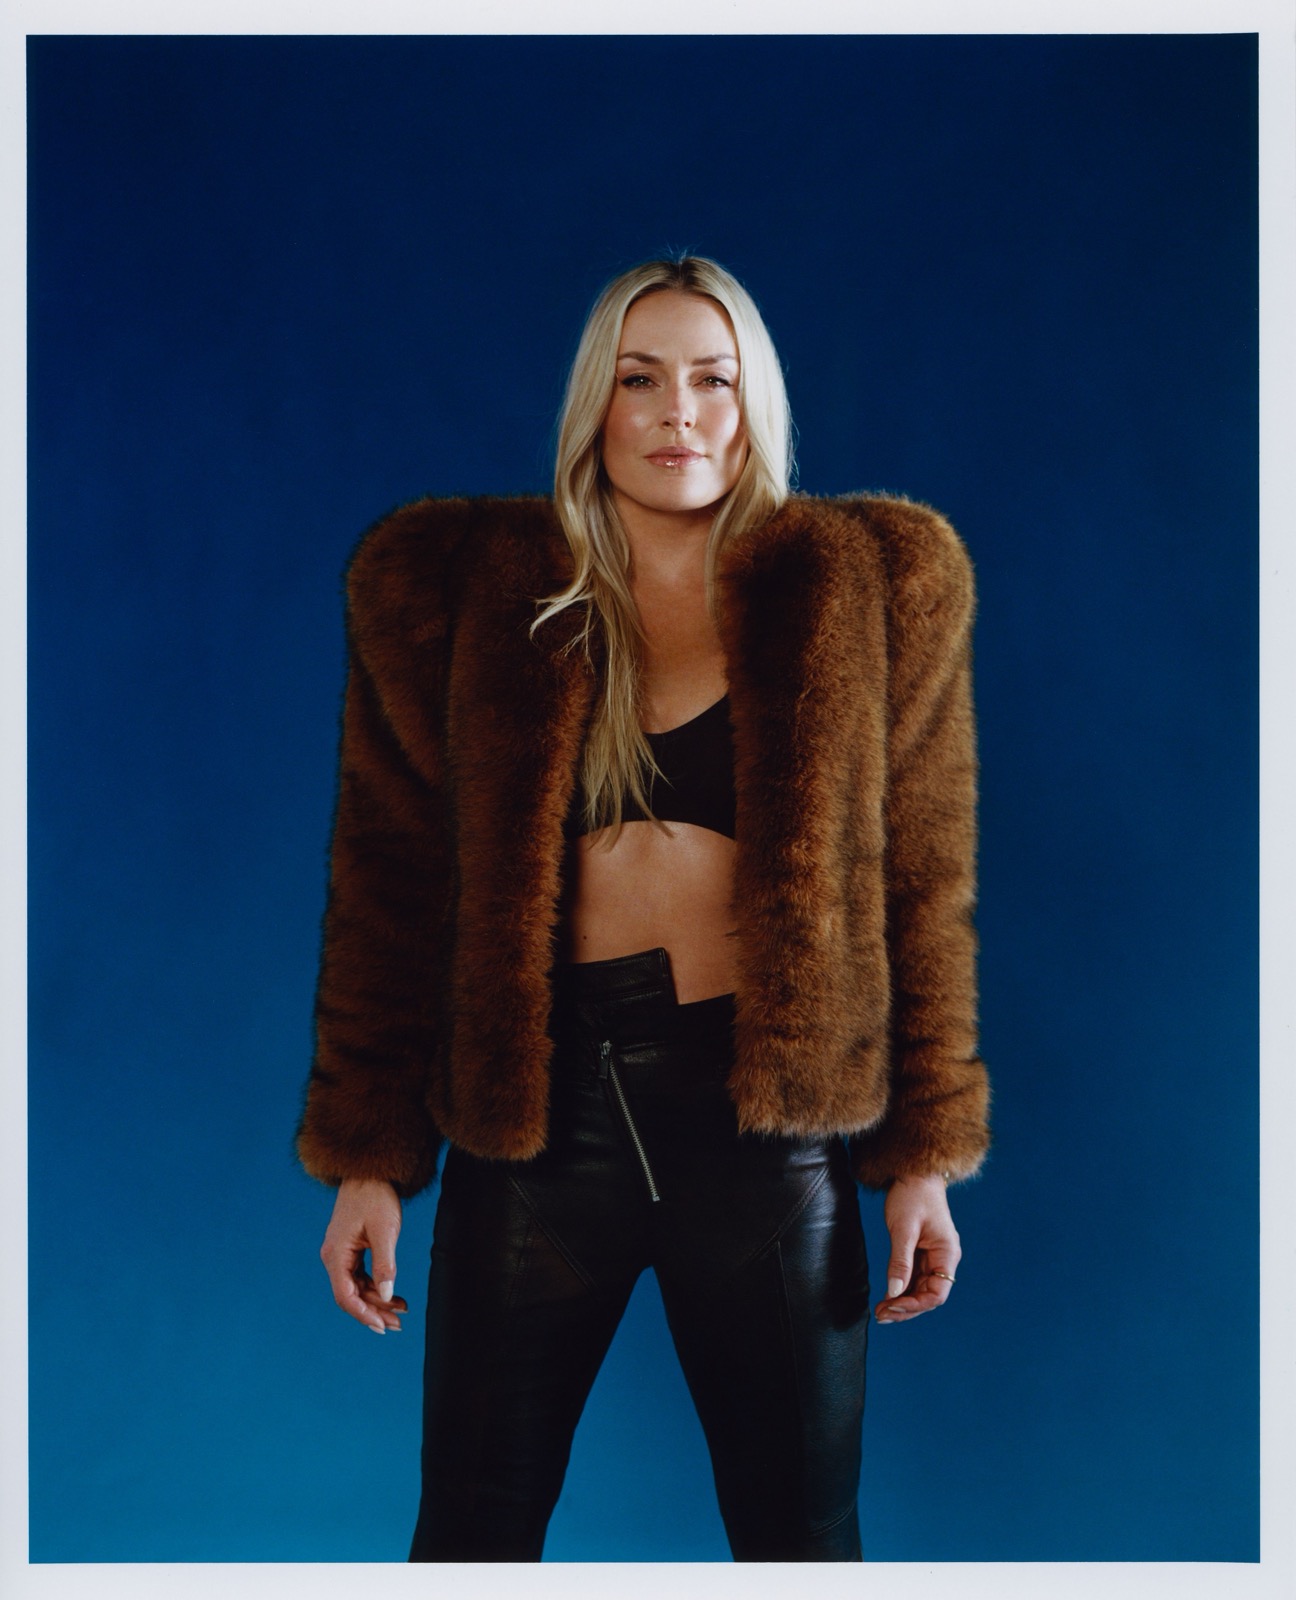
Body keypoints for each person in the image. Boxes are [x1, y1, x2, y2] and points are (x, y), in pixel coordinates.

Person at [296, 255, 990, 1562]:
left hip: (763, 1135)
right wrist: (369, 1159)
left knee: (803, 1547)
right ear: (595, 405)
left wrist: (924, 1159)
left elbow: (924, 886)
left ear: (753, 401)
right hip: (539, 1131)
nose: (680, 411)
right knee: (469, 1539)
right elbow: (387, 879)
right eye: (640, 378)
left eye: (713, 379)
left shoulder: (867, 584)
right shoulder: (457, 588)